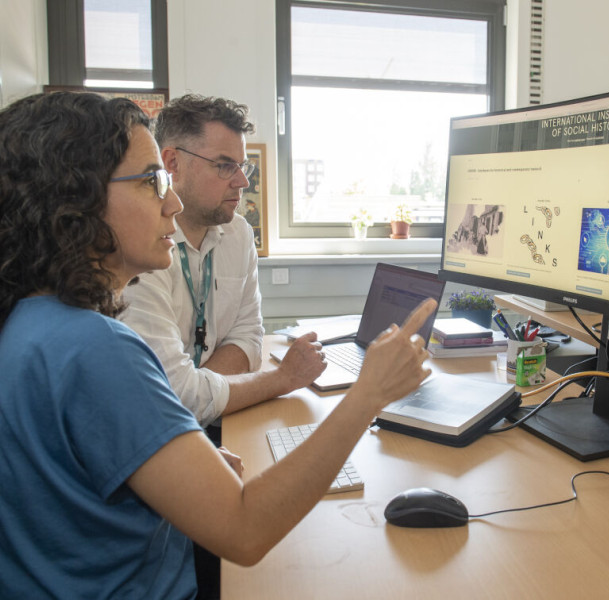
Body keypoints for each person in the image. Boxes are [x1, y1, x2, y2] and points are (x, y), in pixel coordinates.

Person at [0, 91, 436, 598]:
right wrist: (369, 394)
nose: (172, 202)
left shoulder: (31, 322)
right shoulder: (96, 349)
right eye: (150, 182)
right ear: (75, 201)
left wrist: (179, 466)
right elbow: (245, 531)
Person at [121, 94, 324, 431]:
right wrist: (284, 378)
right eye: (225, 165)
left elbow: (248, 337)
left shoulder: (238, 233)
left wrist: (200, 391)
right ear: (172, 163)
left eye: (242, 166)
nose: (242, 182)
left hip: (216, 421)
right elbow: (173, 397)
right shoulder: (141, 251)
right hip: (160, 433)